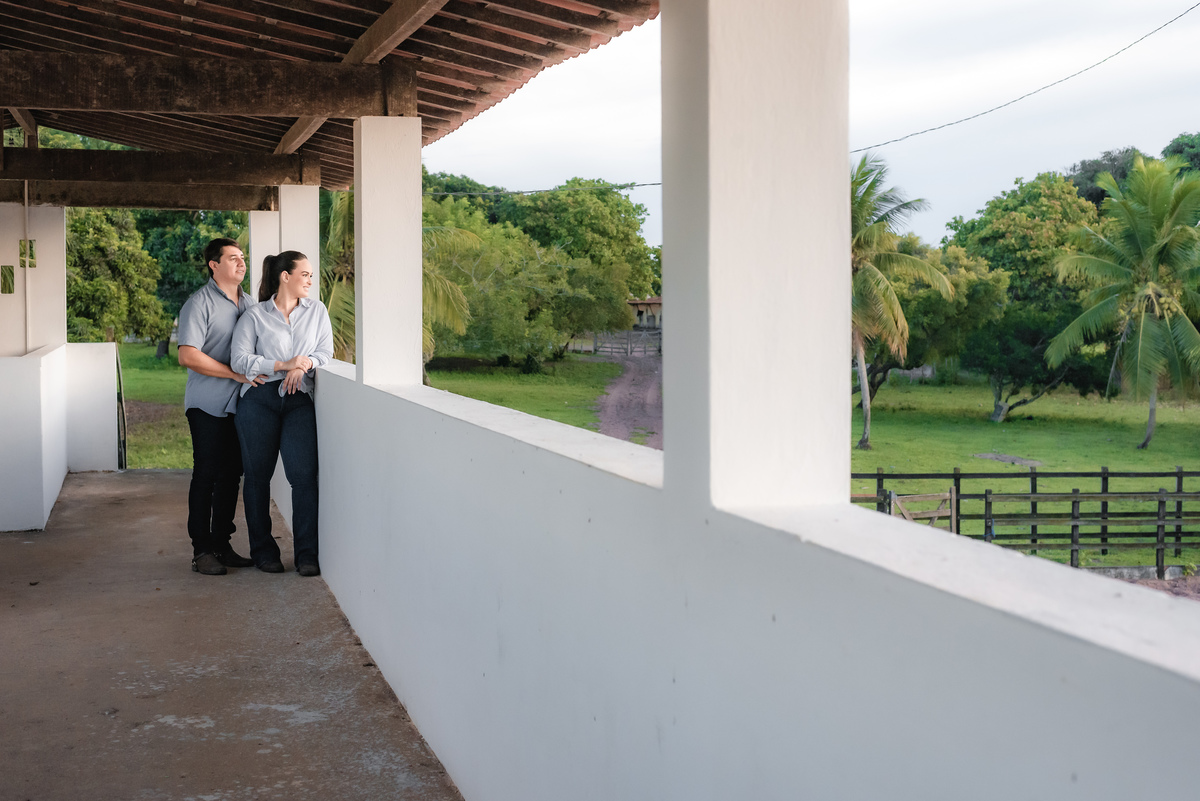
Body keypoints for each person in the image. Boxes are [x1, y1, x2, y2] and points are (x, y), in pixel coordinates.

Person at [230, 251, 333, 576]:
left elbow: (325, 352)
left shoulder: (316, 311)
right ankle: (263, 552)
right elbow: (240, 360)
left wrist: (303, 364)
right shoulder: (255, 316)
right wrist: (280, 365)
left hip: (298, 400)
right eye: (304, 274)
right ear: (284, 276)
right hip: (258, 400)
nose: (310, 280)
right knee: (258, 479)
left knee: (303, 478)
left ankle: (306, 555)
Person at [177, 238, 267, 576]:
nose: (241, 264)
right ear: (214, 265)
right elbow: (188, 355)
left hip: (240, 405)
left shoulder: (250, 304)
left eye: (243, 258)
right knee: (207, 476)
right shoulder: (198, 304)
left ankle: (222, 544)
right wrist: (234, 374)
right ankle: (201, 551)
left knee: (232, 476)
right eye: (233, 258)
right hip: (208, 404)